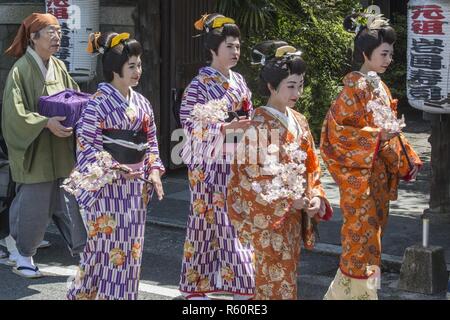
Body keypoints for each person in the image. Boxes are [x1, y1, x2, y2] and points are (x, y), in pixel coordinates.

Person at [320, 13, 422, 299]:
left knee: (374, 237)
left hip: (376, 175)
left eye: (391, 53)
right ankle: (350, 296)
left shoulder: (380, 86)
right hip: (358, 179)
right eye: (384, 53)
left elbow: (389, 131)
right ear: (366, 54)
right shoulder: (353, 88)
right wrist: (376, 137)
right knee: (359, 238)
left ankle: (365, 295)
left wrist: (405, 158)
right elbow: (336, 135)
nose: (389, 59)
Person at [227, 41, 333, 300]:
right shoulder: (258, 125)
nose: (297, 92)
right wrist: (288, 199)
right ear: (271, 86)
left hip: (295, 215)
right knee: (273, 281)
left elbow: (312, 166)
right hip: (271, 219)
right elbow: (249, 180)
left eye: (300, 84)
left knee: (287, 277)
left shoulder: (300, 120)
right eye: (291, 86)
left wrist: (315, 196)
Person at [66, 32, 164, 300]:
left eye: (139, 65)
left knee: (130, 251)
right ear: (113, 69)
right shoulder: (96, 105)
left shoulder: (142, 104)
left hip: (134, 190)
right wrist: (112, 166)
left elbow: (152, 143)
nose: (137, 71)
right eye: (131, 66)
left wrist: (154, 171)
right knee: (106, 251)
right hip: (107, 190)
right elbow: (87, 147)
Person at [2, 13, 87, 278]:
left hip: (61, 148)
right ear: (33, 37)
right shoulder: (21, 70)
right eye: (50, 32)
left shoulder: (58, 66)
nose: (56, 37)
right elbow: (14, 113)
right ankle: (24, 254)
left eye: (58, 32)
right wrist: (45, 123)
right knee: (34, 204)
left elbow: (73, 95)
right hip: (36, 150)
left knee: (70, 200)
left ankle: (86, 253)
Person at [178, 13, 255, 300]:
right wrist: (223, 127)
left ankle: (240, 282)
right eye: (229, 47)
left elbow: (249, 112)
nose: (235, 52)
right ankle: (197, 285)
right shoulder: (199, 85)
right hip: (207, 163)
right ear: (213, 50)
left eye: (237, 46)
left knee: (235, 220)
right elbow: (188, 122)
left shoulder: (239, 81)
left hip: (235, 160)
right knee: (203, 222)